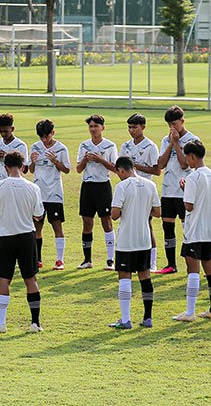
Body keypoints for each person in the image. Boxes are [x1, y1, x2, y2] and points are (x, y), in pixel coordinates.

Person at [0, 152, 45, 333]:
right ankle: (35, 323)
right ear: (23, 166)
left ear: (5, 168)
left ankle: (1, 323)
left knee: (4, 278)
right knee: (30, 278)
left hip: (5, 236)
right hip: (27, 236)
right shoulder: (33, 187)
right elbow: (38, 215)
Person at [108, 156, 161, 329]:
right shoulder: (150, 184)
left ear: (121, 170)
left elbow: (115, 215)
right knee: (144, 276)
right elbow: (158, 212)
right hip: (144, 239)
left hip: (126, 239)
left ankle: (125, 319)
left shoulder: (122, 186)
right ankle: (148, 318)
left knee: (125, 276)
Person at [173, 140, 211, 322]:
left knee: (192, 270)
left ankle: (190, 312)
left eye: (187, 157)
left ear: (192, 156)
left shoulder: (193, 177)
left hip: (194, 230)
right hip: (209, 231)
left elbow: (189, 206)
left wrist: (185, 189)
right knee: (210, 270)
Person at [155, 106, 200, 275]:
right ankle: (171, 264)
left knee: (187, 227)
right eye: (169, 125)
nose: (171, 128)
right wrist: (170, 143)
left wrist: (176, 143)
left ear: (182, 121)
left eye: (174, 124)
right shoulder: (165, 140)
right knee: (167, 226)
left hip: (185, 191)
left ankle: (192, 264)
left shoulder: (193, 140)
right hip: (168, 190)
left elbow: (185, 164)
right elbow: (161, 164)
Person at [118, 113, 163, 272]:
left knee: (147, 225)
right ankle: (132, 260)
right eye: (129, 127)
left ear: (143, 127)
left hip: (144, 191)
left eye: (135, 127)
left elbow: (157, 171)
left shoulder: (150, 146)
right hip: (128, 191)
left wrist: (135, 167)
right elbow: (120, 168)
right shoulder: (125, 146)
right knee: (128, 225)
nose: (131, 130)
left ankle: (151, 263)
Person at [75, 114, 119, 270]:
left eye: (96, 126)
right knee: (87, 222)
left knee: (106, 222)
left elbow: (116, 168)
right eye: (91, 126)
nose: (93, 129)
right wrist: (85, 160)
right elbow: (78, 169)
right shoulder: (84, 145)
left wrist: (101, 160)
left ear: (102, 128)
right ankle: (87, 260)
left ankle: (110, 259)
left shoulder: (110, 146)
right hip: (87, 186)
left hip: (103, 186)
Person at [28, 119, 71, 270]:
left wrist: (55, 161)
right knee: (36, 226)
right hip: (38, 193)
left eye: (46, 136)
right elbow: (31, 170)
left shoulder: (61, 148)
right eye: (41, 137)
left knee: (57, 226)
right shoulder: (35, 147)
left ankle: (60, 260)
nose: (44, 140)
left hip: (54, 194)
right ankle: (37, 259)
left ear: (53, 133)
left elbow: (66, 170)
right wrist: (32, 162)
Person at [0, 113, 29, 183]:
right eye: (1, 131)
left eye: (6, 131)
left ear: (12, 129)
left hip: (14, 184)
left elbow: (25, 170)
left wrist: (9, 157)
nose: (3, 134)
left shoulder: (20, 145)